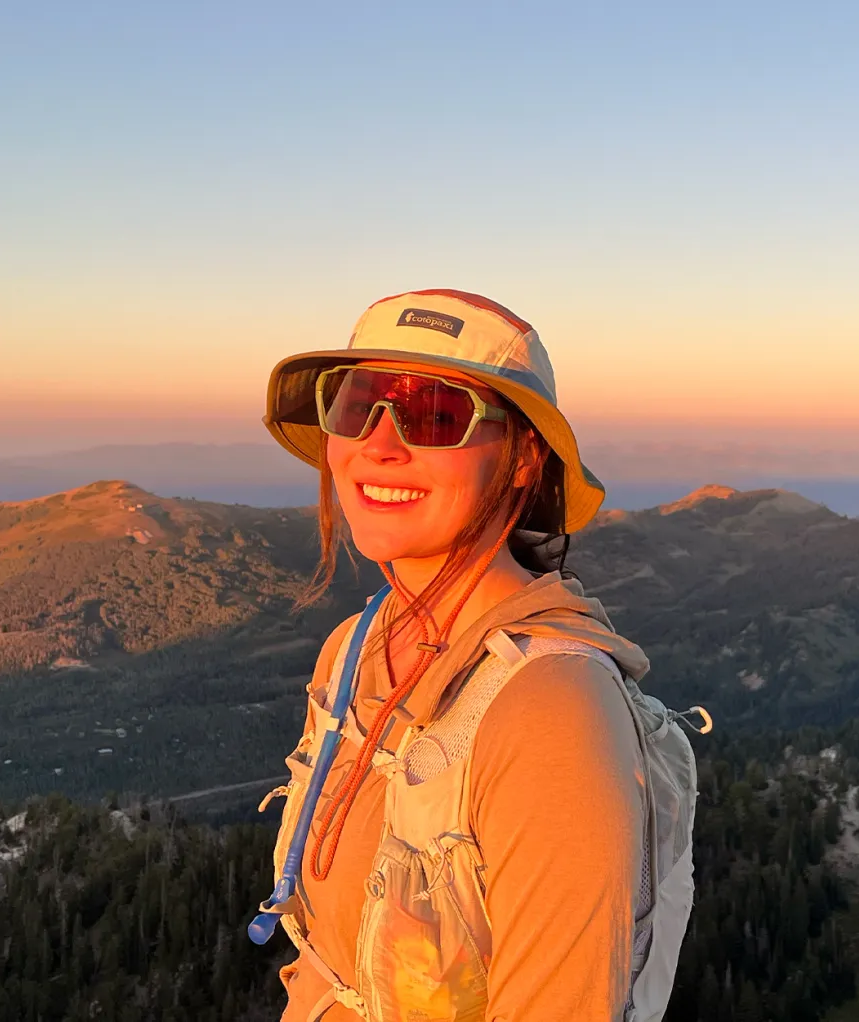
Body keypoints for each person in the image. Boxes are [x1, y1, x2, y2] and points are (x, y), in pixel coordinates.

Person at [257, 289, 693, 1021]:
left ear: (525, 458)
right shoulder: (354, 649)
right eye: (357, 402)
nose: (379, 442)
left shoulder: (552, 706)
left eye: (435, 413)